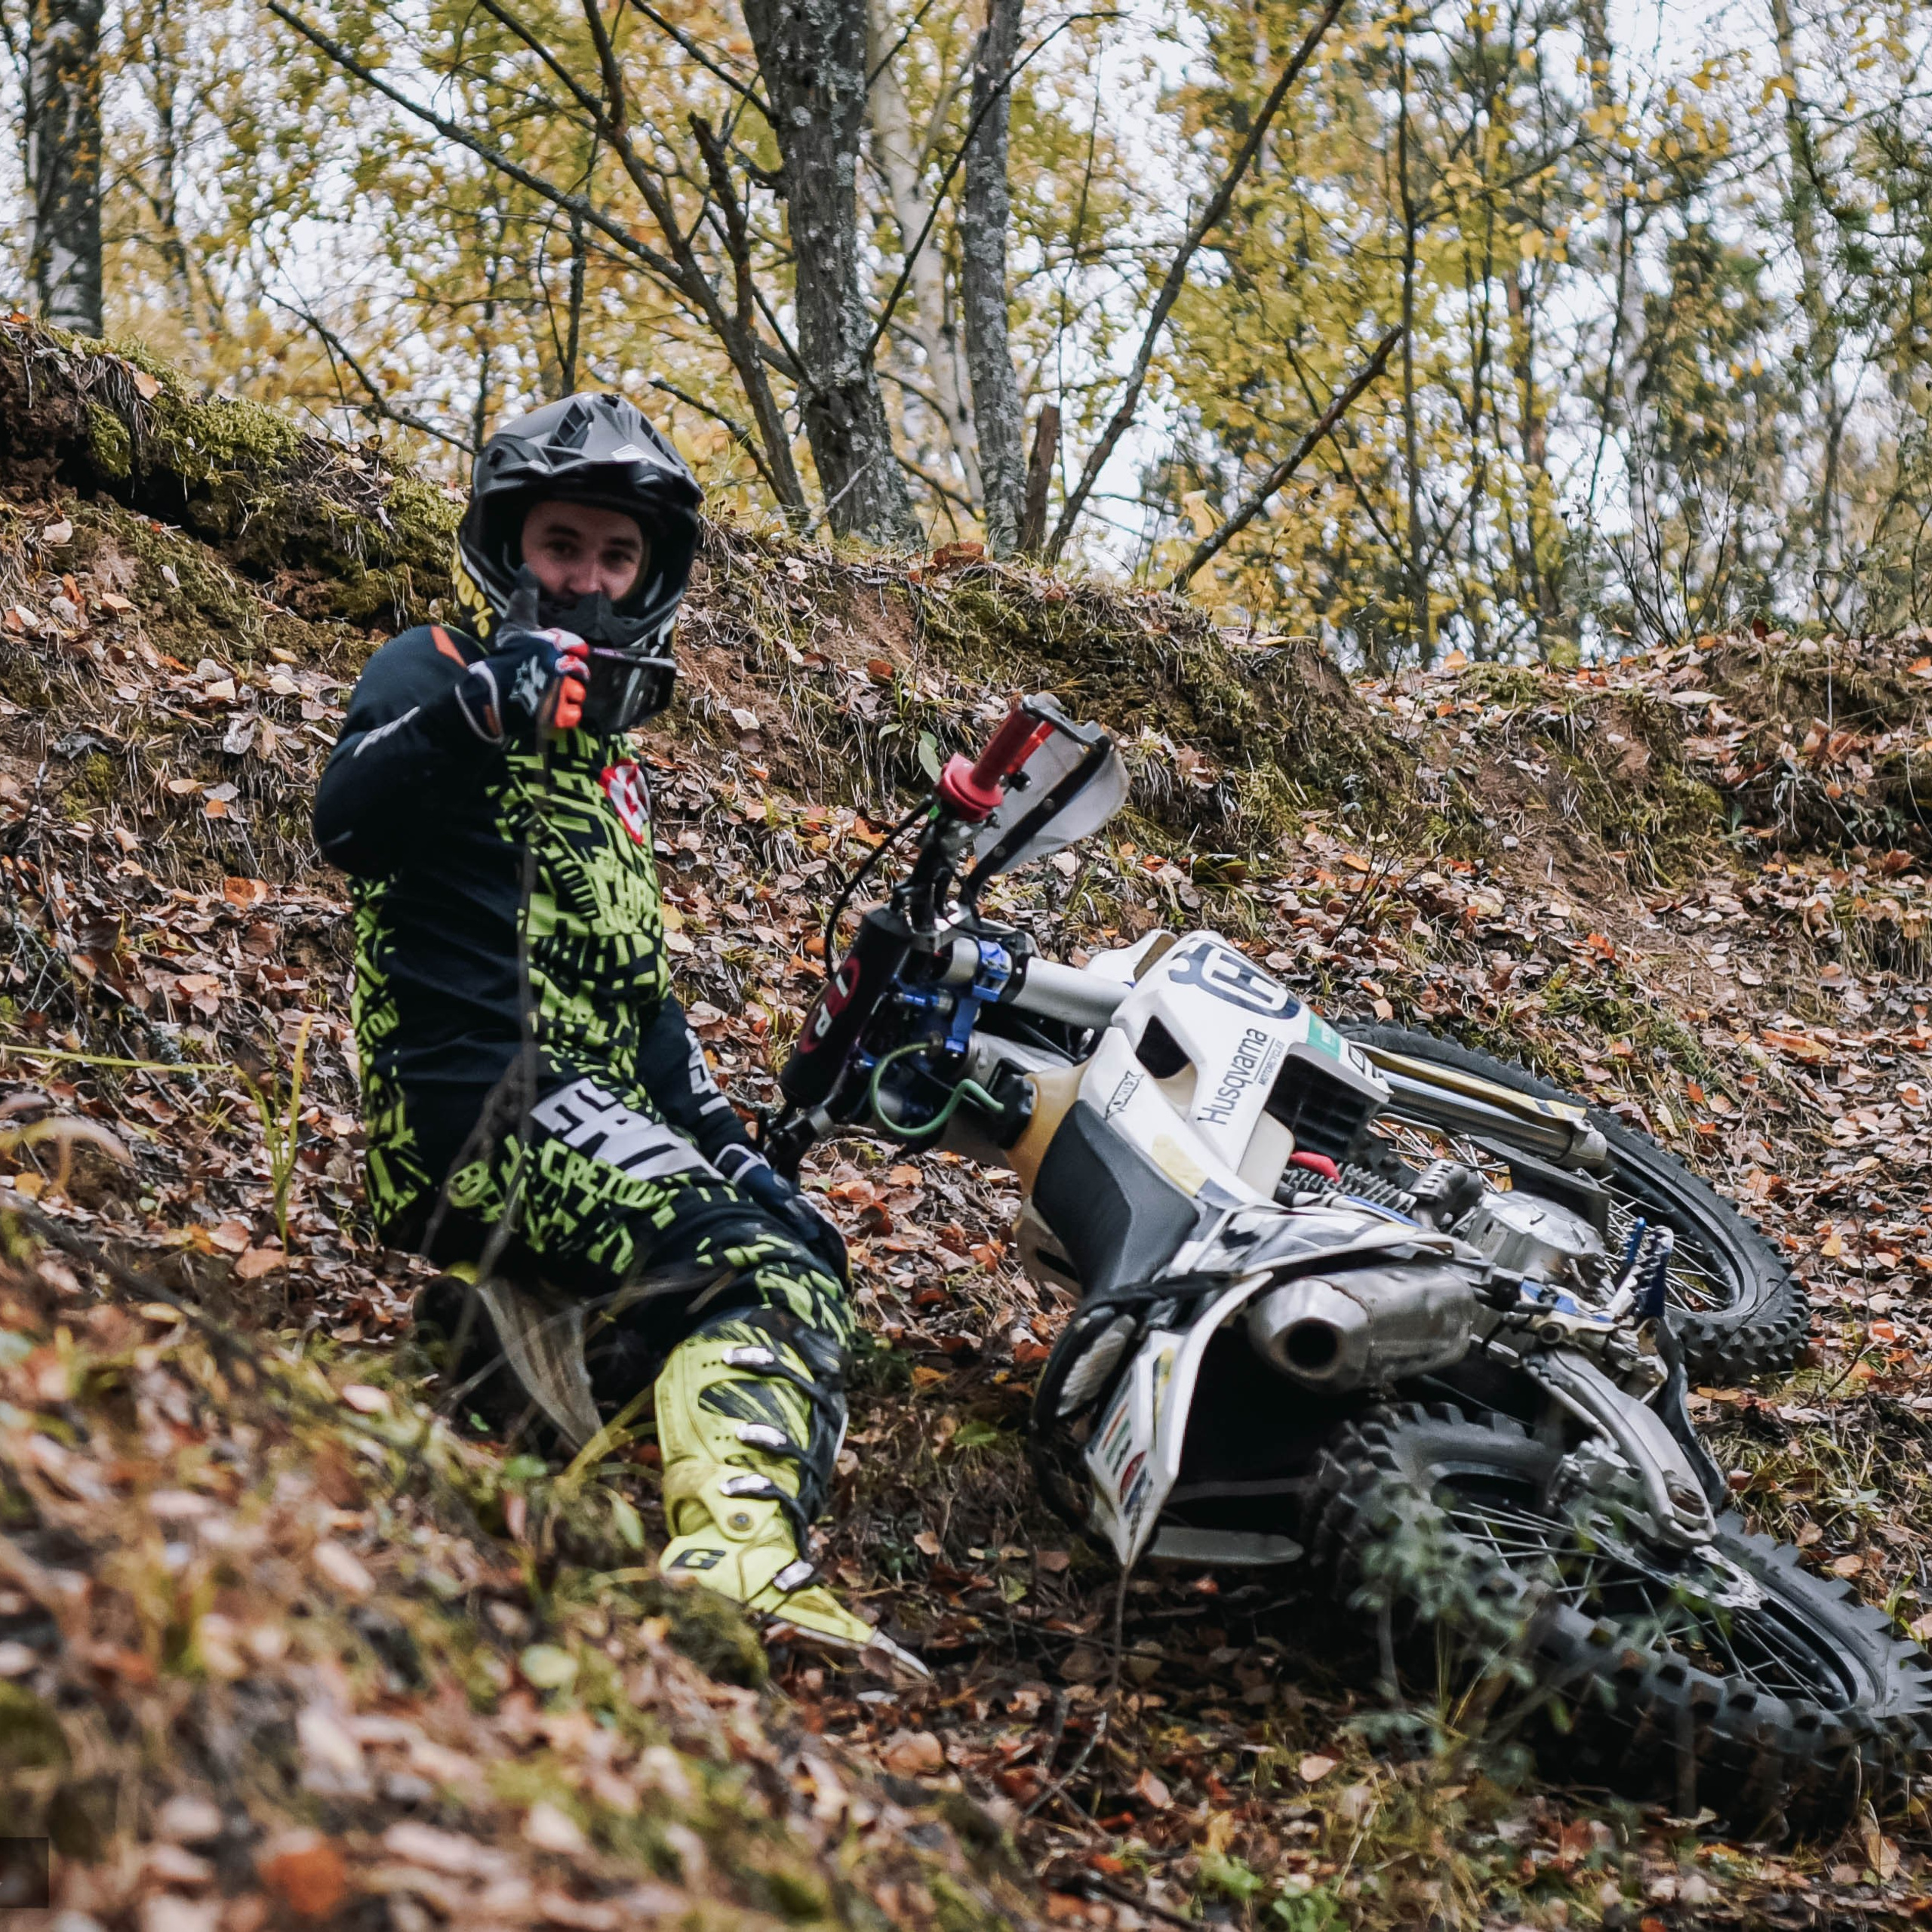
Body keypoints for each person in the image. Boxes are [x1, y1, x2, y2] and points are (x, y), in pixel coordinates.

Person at [314, 393, 902, 1665]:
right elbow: (344, 823)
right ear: (508, 550)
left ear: (650, 579)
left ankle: (544, 1360)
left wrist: (734, 1151)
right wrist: (475, 712)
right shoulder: (432, 666)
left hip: (590, 1106)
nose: (585, 580)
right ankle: (734, 1571)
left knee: (806, 1251)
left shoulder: (613, 768)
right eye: (561, 545)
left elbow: (639, 1001)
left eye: (615, 556)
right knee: (767, 1276)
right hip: (477, 1104)